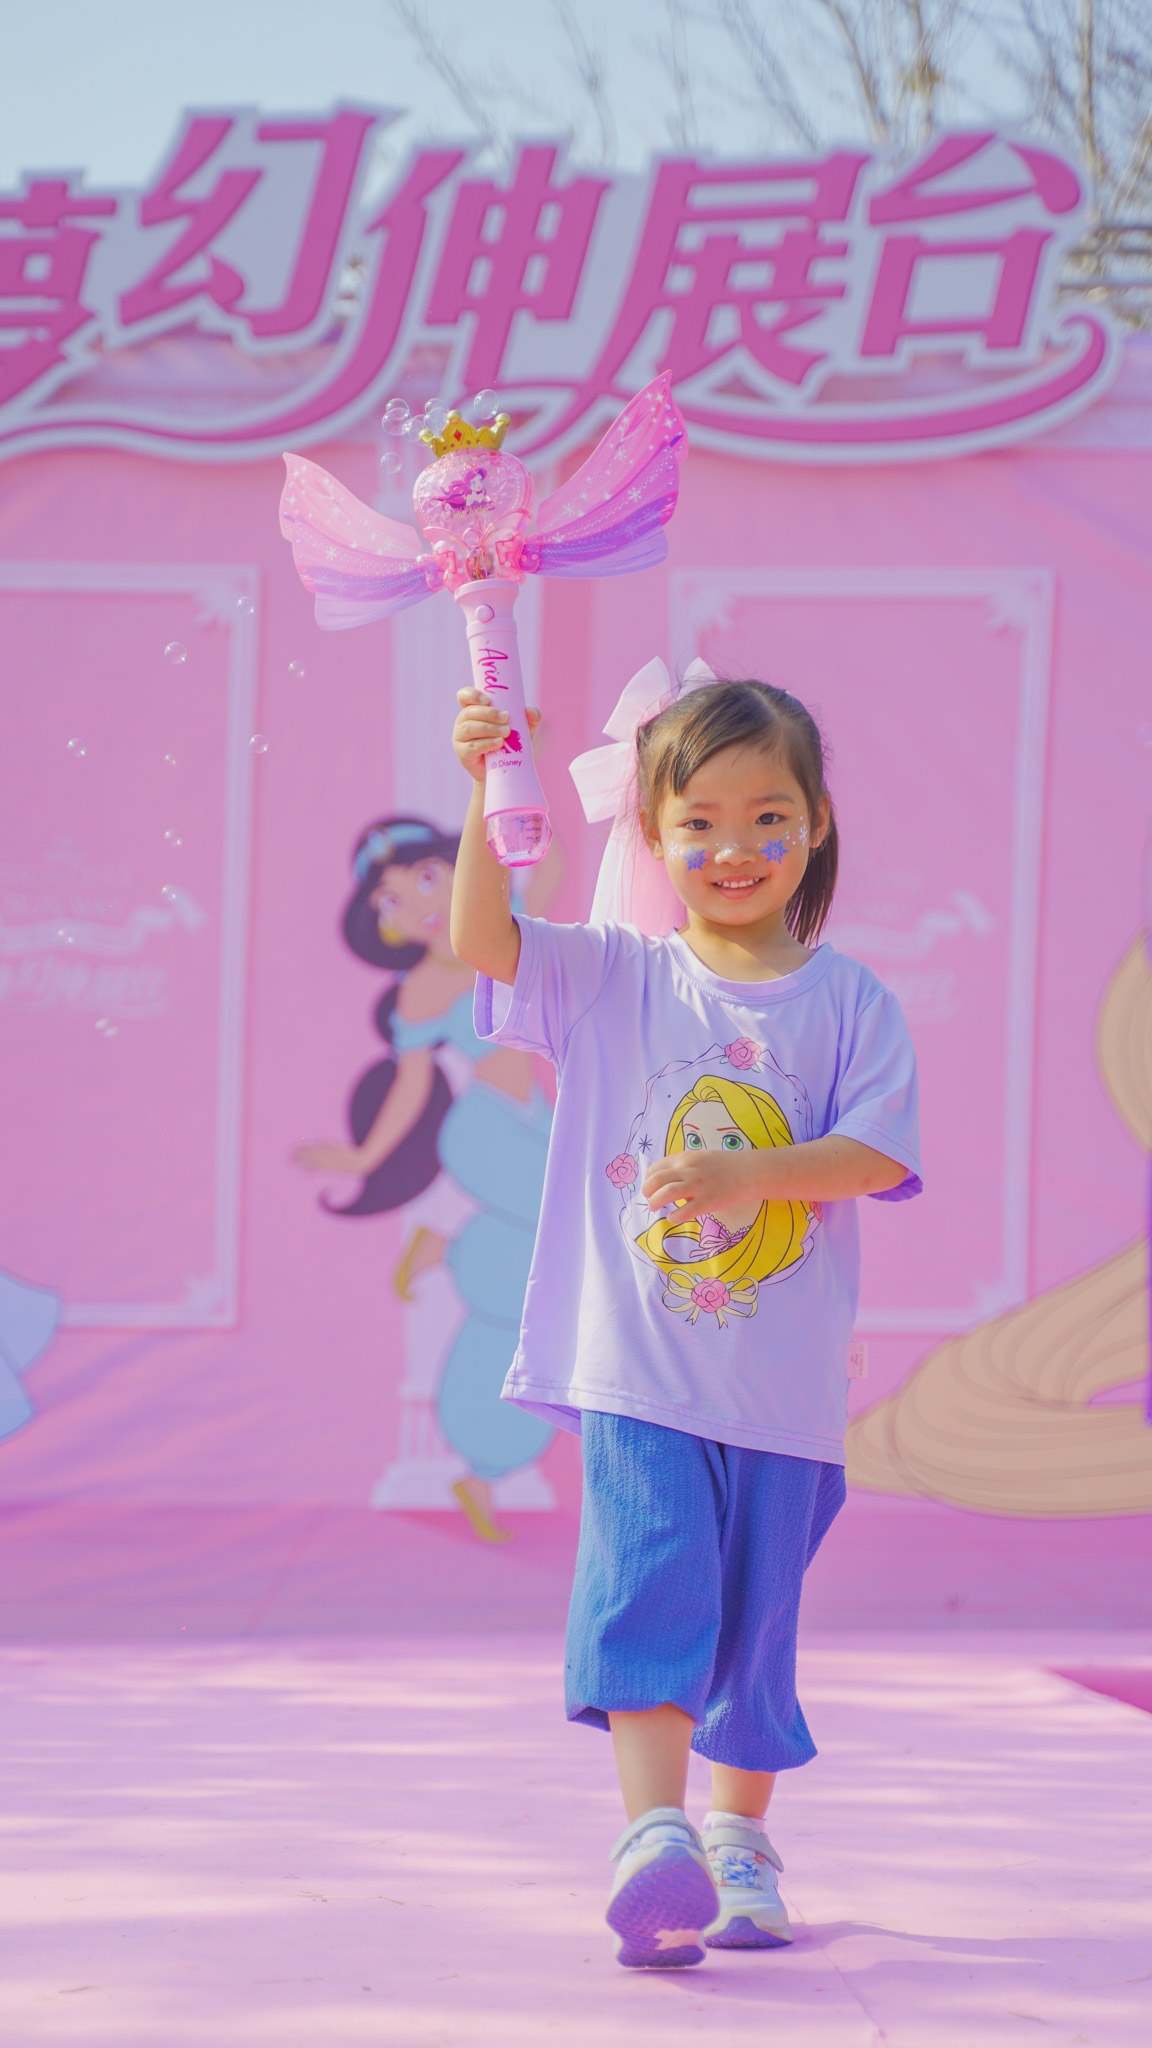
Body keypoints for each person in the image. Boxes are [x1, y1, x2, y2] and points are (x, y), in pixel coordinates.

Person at [449, 665, 922, 1968]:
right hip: (640, 1374)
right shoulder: (615, 976)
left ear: (817, 822)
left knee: (755, 1631)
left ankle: (738, 1837)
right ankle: (652, 1835)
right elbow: (485, 942)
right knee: (648, 1585)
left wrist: (749, 1174)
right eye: (699, 821)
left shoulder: (851, 1000)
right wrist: (482, 790)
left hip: (785, 1391)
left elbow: (878, 1154)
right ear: (652, 835)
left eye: (768, 816)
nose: (735, 846)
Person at [293, 815, 553, 1544]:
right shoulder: (427, 989)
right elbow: (410, 1086)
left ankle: (451, 1253)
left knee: (527, 1293)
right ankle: (452, 1253)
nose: (417, 905)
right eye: (392, 901)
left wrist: (522, 782)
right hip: (487, 1136)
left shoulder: (509, 931)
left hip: (537, 1126)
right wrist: (363, 1159)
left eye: (428, 879)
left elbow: (554, 868)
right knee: (538, 1280)